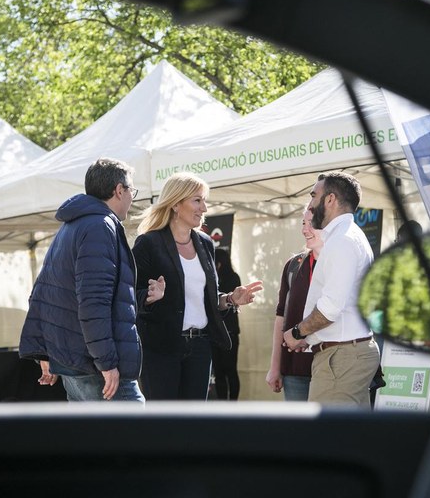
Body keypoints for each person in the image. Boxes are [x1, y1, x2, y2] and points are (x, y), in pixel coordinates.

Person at [19, 157, 145, 403]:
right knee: (137, 438)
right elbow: (92, 303)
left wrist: (44, 352)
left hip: (75, 362)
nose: (132, 197)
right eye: (131, 190)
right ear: (119, 190)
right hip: (95, 367)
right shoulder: (99, 226)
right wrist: (107, 363)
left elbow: (44, 292)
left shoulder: (72, 226)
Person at [132, 172, 263, 400]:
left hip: (200, 347)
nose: (204, 208)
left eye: (204, 200)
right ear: (175, 204)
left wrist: (231, 298)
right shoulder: (148, 243)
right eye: (197, 200)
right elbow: (129, 294)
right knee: (164, 423)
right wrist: (150, 295)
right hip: (161, 348)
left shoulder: (205, 243)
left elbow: (207, 298)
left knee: (194, 424)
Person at [283, 172, 379, 406]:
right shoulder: (344, 237)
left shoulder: (342, 240)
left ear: (330, 199)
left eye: (314, 196)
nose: (311, 204)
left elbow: (330, 309)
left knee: (328, 438)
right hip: (345, 354)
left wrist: (297, 332)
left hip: (342, 358)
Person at [266, 208, 321, 401]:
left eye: (311, 223)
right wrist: (275, 367)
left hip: (330, 368)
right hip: (295, 369)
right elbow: (281, 317)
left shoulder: (337, 262)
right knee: (299, 431)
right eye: (303, 223)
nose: (305, 229)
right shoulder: (293, 265)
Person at [211, 248, 242, 400]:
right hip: (217, 332)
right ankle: (224, 404)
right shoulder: (214, 279)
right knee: (220, 372)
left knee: (229, 370)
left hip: (229, 331)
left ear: (219, 263)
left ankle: (232, 404)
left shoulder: (232, 278)